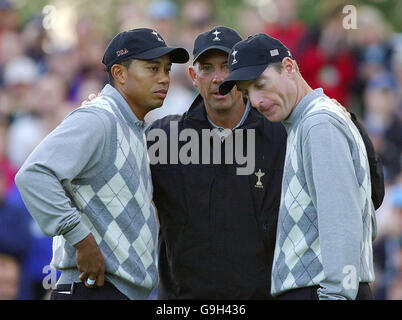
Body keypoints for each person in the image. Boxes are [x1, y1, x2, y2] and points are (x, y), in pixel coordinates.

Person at [147, 27, 383, 299]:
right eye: (208, 68)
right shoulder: (162, 138)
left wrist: (339, 292)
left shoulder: (295, 127)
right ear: (193, 76)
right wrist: (100, 112)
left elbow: (354, 208)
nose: (218, 78)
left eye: (226, 67)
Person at [14, 28, 189, 300]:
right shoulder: (99, 119)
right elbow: (34, 175)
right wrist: (82, 240)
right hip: (94, 289)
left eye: (166, 69)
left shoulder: (131, 125)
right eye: (153, 68)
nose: (164, 78)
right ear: (119, 74)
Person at [219, 33, 379, 300]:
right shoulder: (308, 121)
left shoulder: (318, 124)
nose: (256, 101)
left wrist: (338, 294)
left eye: (261, 84)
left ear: (290, 67)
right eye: (247, 93)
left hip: (323, 292)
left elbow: (343, 221)